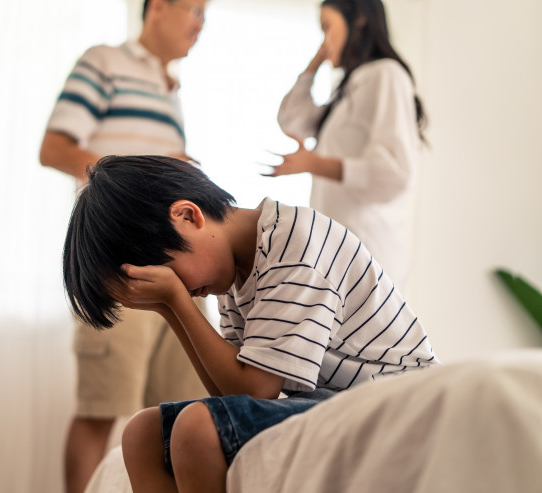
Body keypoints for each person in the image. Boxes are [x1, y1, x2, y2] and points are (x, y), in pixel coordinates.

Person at [63, 155, 439, 493]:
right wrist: (168, 308)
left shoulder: (295, 245)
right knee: (141, 433)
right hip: (331, 400)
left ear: (188, 216)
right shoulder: (236, 272)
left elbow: (258, 390)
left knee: (197, 428)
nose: (186, 291)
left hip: (392, 401)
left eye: (171, 277)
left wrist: (176, 300)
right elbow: (228, 394)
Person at [38, 1, 208, 492]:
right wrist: (140, 182)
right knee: (101, 408)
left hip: (177, 270)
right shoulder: (104, 61)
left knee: (184, 414)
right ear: (159, 8)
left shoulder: (170, 87)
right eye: (195, 9)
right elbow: (54, 148)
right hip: (118, 262)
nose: (200, 23)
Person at [268, 0, 427, 290]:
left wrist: (315, 164)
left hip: (368, 260)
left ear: (360, 20)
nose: (324, 40)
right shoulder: (350, 87)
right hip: (341, 259)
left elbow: (395, 175)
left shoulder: (386, 75)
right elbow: (291, 120)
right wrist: (316, 61)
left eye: (327, 27)